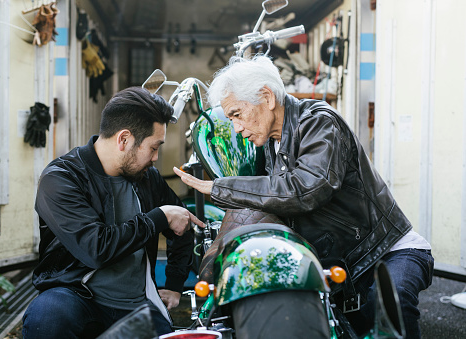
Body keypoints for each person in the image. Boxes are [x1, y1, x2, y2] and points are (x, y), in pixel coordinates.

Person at [173, 55, 434, 339]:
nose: (236, 127)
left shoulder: (319, 123)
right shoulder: (271, 144)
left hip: (387, 252)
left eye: (237, 114)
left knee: (387, 312)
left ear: (267, 97)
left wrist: (221, 188)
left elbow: (306, 189)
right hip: (343, 265)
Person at [22, 87, 205, 338]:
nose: (155, 158)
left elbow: (183, 224)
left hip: (135, 305)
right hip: (75, 297)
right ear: (124, 139)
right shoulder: (62, 178)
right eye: (153, 147)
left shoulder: (147, 179)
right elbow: (95, 248)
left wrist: (174, 285)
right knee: (48, 316)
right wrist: (158, 218)